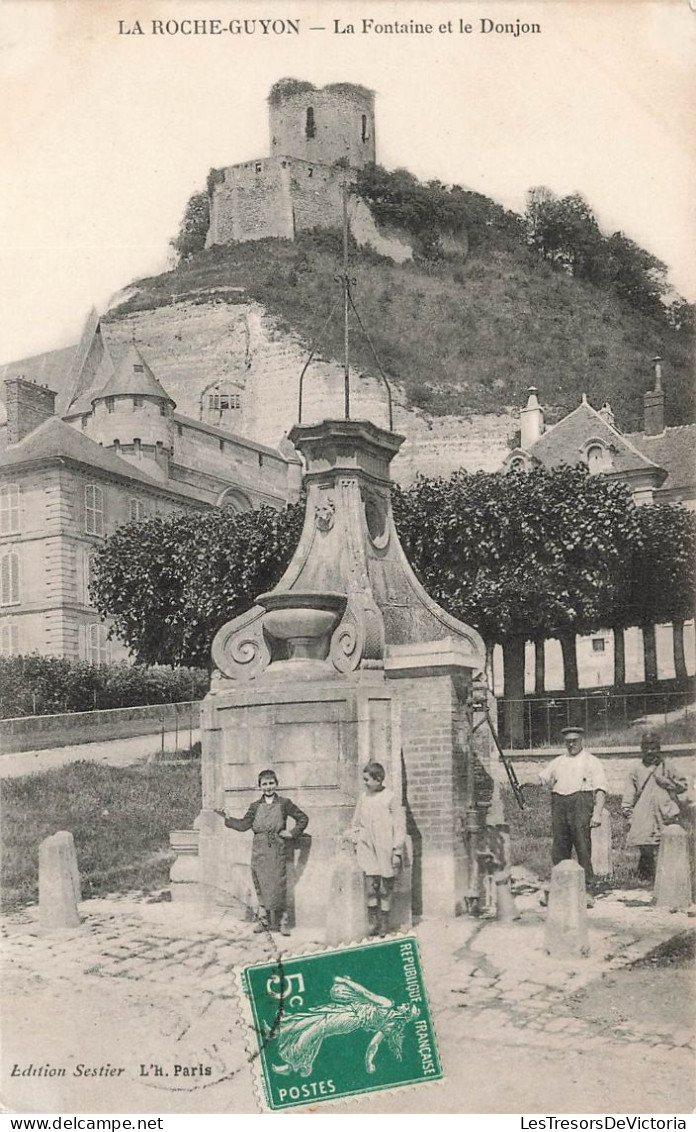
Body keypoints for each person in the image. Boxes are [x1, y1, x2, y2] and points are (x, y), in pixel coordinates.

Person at [215, 769, 308, 936]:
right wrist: (227, 818)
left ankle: (283, 921)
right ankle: (264, 920)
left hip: (278, 850)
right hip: (259, 850)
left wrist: (292, 833)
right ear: (259, 786)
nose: (268, 787)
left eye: (271, 783)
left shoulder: (285, 803)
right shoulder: (255, 806)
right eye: (264, 784)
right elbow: (244, 825)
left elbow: (303, 818)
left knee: (279, 885)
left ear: (277, 784)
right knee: (261, 884)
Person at [539, 725, 607, 906]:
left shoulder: (591, 761)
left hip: (581, 804)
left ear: (581, 740)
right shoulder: (558, 761)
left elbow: (601, 789)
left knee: (583, 847)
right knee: (559, 847)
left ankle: (587, 890)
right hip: (560, 805)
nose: (571, 745)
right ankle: (560, 888)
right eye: (568, 742)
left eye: (574, 741)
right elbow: (543, 779)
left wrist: (597, 814)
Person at [345, 761, 405, 938]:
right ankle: (373, 922)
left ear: (378, 780)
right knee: (371, 886)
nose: (364, 783)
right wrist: (358, 838)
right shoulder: (363, 798)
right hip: (367, 848)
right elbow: (355, 822)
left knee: (385, 887)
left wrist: (397, 851)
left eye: (367, 780)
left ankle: (385, 923)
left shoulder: (390, 797)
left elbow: (399, 826)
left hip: (385, 848)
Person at [622, 730, 687, 883]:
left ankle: (669, 877)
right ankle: (646, 876)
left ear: (659, 748)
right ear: (642, 749)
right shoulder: (636, 768)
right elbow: (629, 791)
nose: (650, 751)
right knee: (645, 844)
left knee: (667, 841)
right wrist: (627, 810)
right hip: (643, 812)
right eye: (646, 748)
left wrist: (668, 783)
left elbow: (683, 786)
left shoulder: (667, 766)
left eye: (653, 747)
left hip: (665, 811)